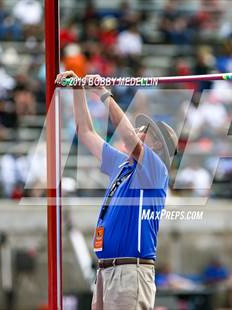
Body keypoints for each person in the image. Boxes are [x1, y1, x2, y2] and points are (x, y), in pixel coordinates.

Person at [55, 71, 178, 310]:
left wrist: (103, 94)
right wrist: (78, 89)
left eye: (145, 130)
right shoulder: (122, 164)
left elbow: (129, 137)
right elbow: (86, 133)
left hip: (130, 272)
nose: (139, 129)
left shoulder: (156, 170)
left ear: (156, 145)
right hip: (107, 271)